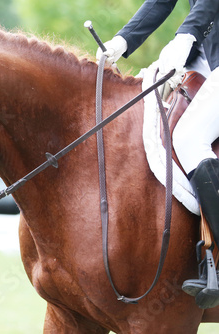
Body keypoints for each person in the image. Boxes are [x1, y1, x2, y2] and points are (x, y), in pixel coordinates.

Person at [97, 0, 219, 308]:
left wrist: (186, 35)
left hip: (207, 56)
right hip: (202, 60)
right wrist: (123, 40)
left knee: (190, 138)